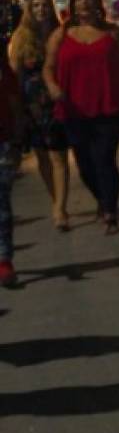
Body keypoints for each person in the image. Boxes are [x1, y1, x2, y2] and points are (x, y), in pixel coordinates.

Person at [43, 0, 119, 235]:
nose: (84, 3)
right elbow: (48, 67)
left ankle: (110, 212)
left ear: (98, 3)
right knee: (84, 164)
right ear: (72, 5)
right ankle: (103, 198)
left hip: (109, 106)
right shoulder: (61, 35)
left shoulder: (115, 34)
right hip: (73, 109)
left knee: (104, 159)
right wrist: (53, 87)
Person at [7, 0, 70, 231]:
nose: (41, 10)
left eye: (45, 6)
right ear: (29, 10)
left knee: (59, 155)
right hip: (31, 105)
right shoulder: (21, 37)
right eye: (36, 6)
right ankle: (57, 200)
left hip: (56, 102)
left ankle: (60, 209)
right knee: (42, 157)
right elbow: (14, 73)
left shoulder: (60, 34)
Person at [0, 25, 23, 287]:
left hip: (3, 140)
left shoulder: (3, 67)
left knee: (2, 202)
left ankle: (4, 259)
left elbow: (14, 100)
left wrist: (17, 136)